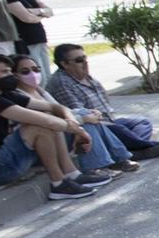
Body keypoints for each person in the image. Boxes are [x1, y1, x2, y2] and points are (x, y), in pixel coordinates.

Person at [0, 52, 109, 199]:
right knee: (40, 125)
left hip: (5, 157)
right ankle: (59, 185)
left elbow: (54, 107)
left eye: (10, 71)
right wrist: (79, 130)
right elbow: (46, 121)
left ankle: (71, 174)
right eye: (4, 72)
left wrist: (70, 121)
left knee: (48, 118)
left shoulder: (4, 94)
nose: (10, 76)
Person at [11, 52, 139, 175]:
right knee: (87, 122)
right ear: (15, 75)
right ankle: (94, 167)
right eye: (25, 71)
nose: (33, 74)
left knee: (87, 115)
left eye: (35, 69)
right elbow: (49, 120)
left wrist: (90, 113)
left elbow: (63, 110)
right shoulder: (19, 96)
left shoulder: (39, 91)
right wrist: (84, 119)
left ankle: (120, 159)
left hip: (61, 133)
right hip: (44, 147)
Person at [47, 44, 159, 159]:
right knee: (121, 130)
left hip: (109, 121)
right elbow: (80, 114)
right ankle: (152, 146)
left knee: (142, 122)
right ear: (64, 64)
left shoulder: (85, 76)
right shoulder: (62, 84)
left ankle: (131, 151)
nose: (85, 62)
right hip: (95, 127)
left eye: (85, 57)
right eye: (79, 60)